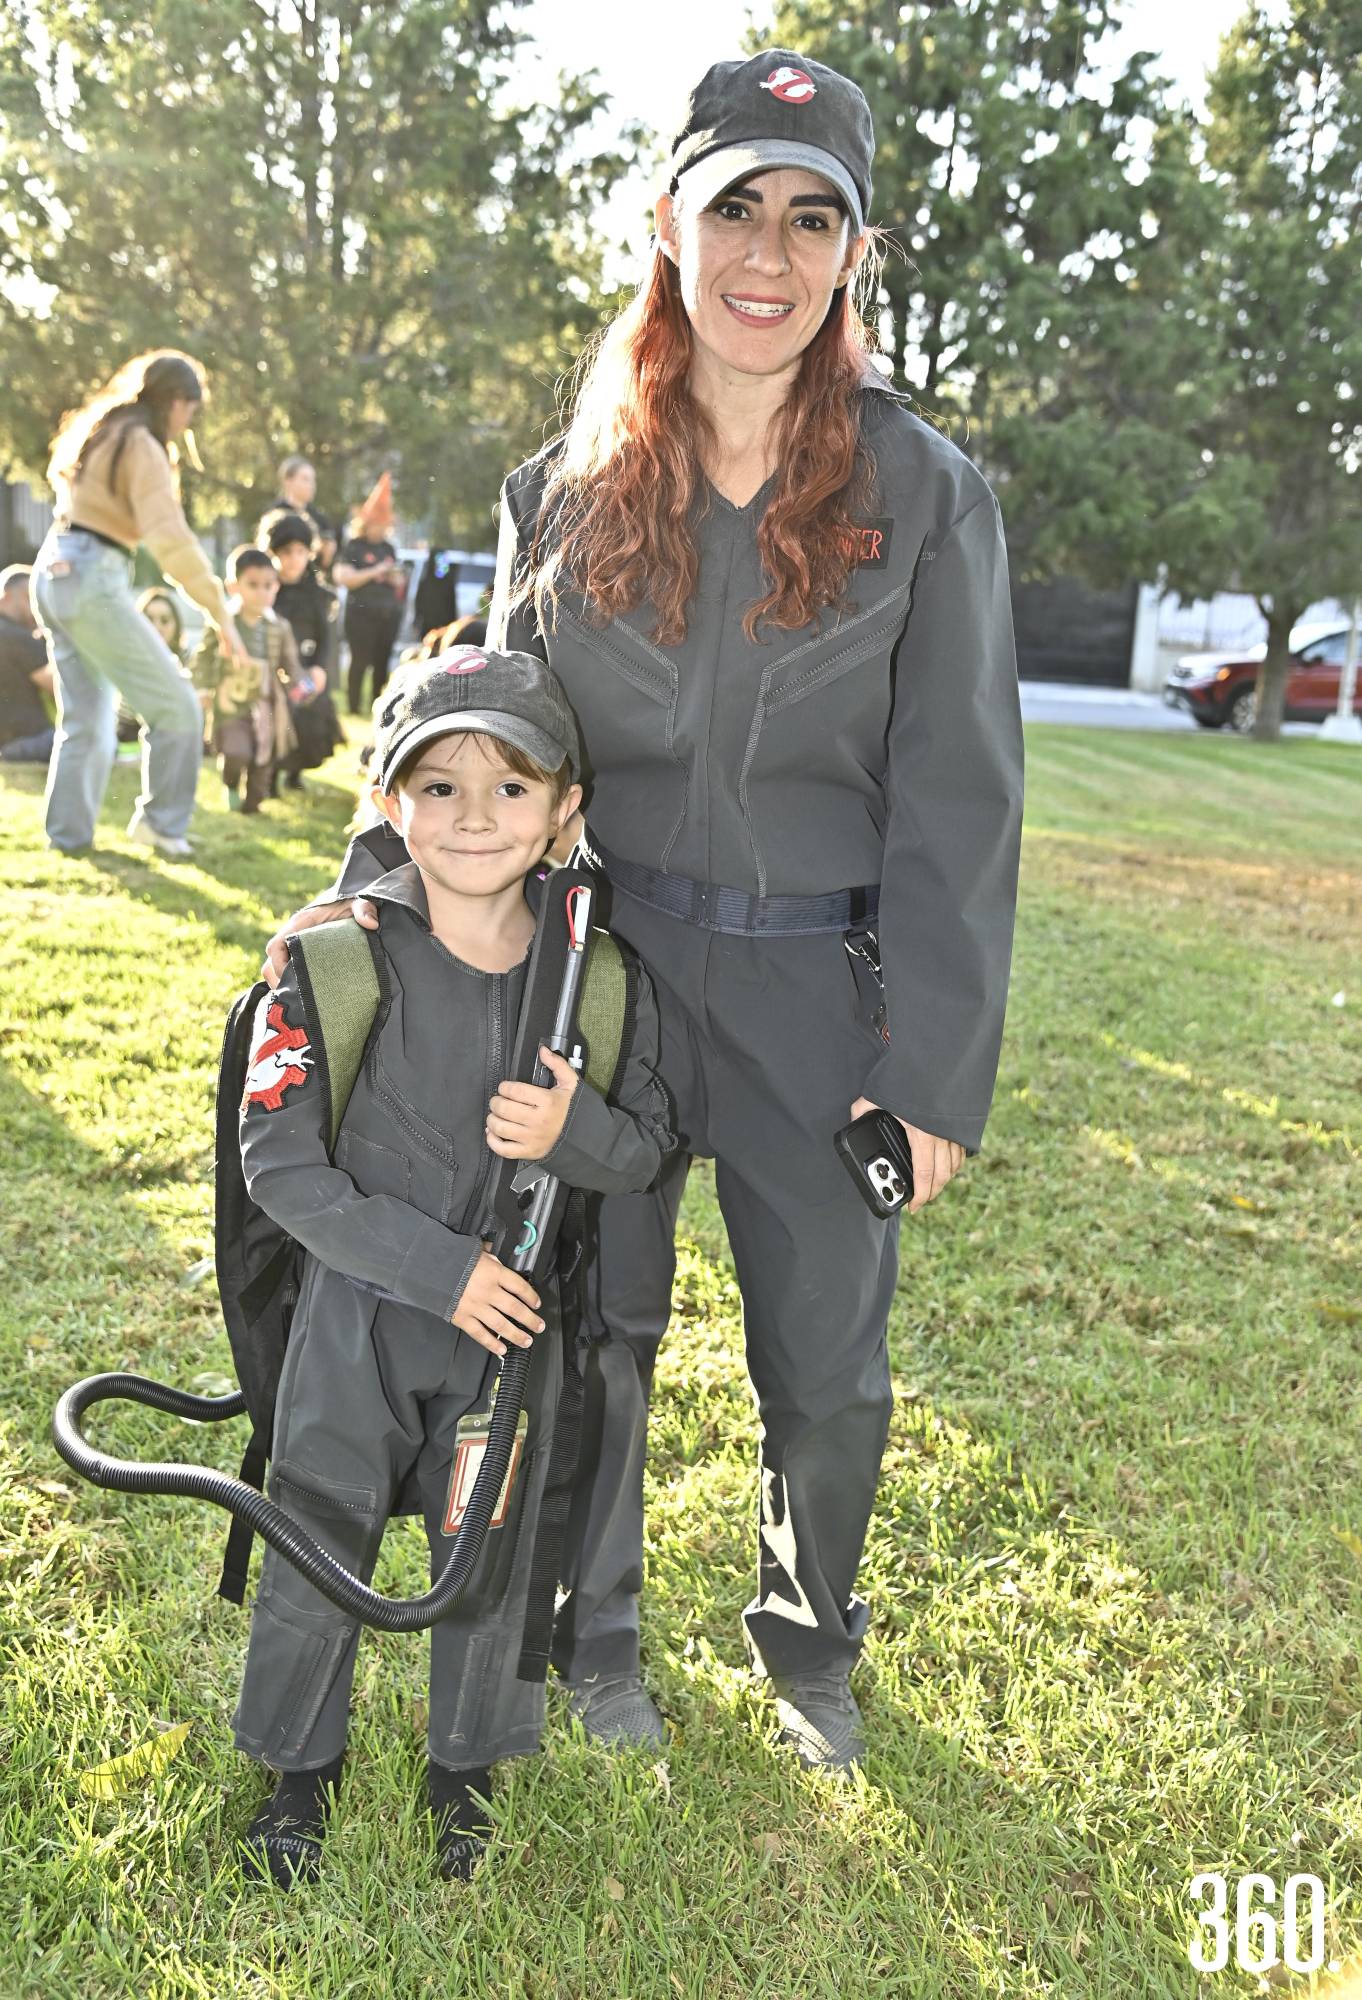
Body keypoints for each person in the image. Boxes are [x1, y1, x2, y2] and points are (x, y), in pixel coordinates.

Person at [266, 50, 1024, 1771]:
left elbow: (964, 804)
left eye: (808, 215)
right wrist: (361, 921)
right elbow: (479, 748)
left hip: (819, 995)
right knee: (591, 1330)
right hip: (595, 983)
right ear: (665, 224)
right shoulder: (571, 486)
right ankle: (589, 1639)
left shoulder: (926, 498)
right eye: (733, 204)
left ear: (851, 252)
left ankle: (807, 1639)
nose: (767, 250)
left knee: (822, 1360)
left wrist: (934, 1071)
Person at [233, 645, 674, 1887]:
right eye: (438, 787)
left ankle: (463, 1770)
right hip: (356, 1323)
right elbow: (281, 1166)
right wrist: (436, 1270)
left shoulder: (599, 981)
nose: (475, 817)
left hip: (510, 1333)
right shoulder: (329, 959)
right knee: (317, 1528)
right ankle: (296, 1769)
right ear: (385, 802)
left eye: (512, 787)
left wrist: (569, 1129)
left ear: (566, 810)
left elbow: (643, 1151)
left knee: (488, 1550)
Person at [30, 348, 245, 858]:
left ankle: (68, 839)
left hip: (54, 568)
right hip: (91, 578)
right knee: (177, 706)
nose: (189, 421)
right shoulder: (143, 445)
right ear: (175, 402)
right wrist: (219, 609)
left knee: (85, 719)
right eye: (191, 410)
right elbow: (169, 538)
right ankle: (161, 825)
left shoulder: (104, 432)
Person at [189, 546, 302, 813]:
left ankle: (253, 805)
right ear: (233, 586)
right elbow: (203, 656)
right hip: (231, 700)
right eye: (253, 585)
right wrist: (203, 688)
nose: (262, 592)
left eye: (269, 585)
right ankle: (230, 783)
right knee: (236, 750)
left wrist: (301, 686)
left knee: (263, 755)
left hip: (266, 702)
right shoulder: (222, 622)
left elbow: (291, 664)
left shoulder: (280, 627)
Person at [259, 510, 344, 789]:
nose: (293, 559)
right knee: (272, 721)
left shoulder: (319, 595)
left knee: (307, 720)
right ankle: (268, 777)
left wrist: (320, 669)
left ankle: (294, 773)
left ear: (310, 552)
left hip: (305, 670)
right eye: (285, 552)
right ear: (272, 553)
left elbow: (327, 638)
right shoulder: (265, 592)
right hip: (270, 672)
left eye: (300, 551)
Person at [333, 473, 402, 716]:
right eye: (377, 524)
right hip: (360, 615)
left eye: (385, 526)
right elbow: (344, 577)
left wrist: (394, 577)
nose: (381, 530)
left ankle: (378, 705)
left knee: (382, 664)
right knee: (359, 661)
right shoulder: (354, 546)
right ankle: (353, 707)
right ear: (367, 522)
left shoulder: (388, 548)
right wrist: (375, 571)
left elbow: (398, 580)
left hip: (387, 614)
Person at [0, 564, 55, 765]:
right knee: (85, 738)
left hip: (9, 745)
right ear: (6, 596)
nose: (36, 609)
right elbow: (61, 689)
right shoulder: (16, 636)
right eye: (29, 598)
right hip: (25, 743)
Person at [261, 455, 337, 576]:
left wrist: (326, 552)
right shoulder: (274, 515)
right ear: (288, 481)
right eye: (305, 479)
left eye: (313, 480)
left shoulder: (319, 518)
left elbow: (323, 565)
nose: (311, 485)